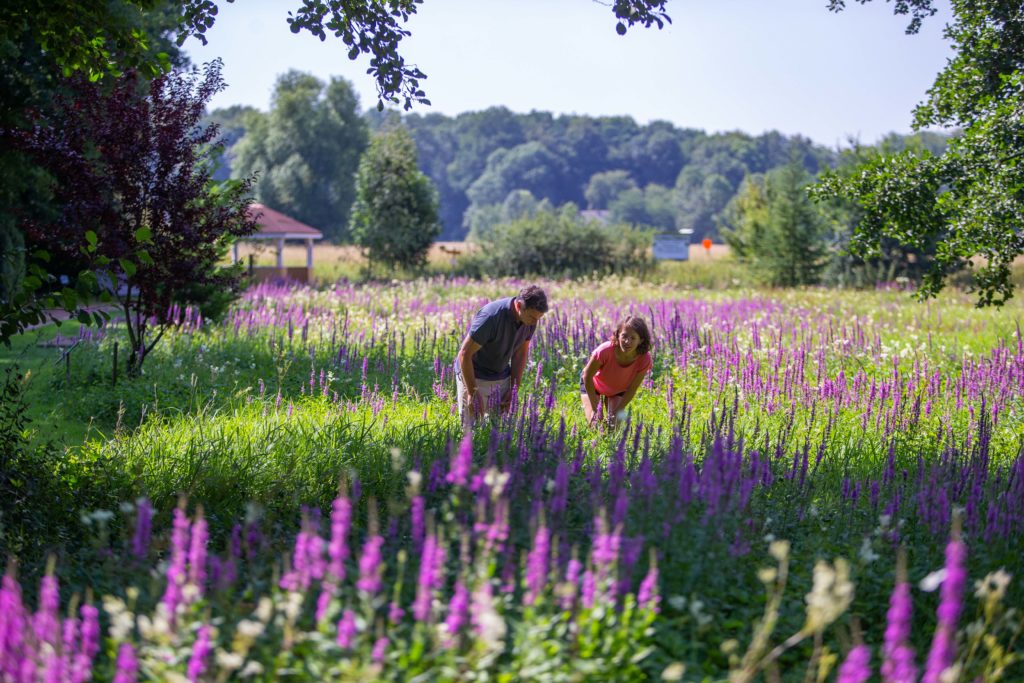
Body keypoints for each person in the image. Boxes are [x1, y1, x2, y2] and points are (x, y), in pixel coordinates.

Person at [455, 285, 548, 425]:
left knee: (501, 430)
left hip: (501, 376)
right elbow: (464, 354)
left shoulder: (530, 320)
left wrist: (513, 389)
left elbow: (520, 354)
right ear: (518, 305)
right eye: (532, 317)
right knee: (470, 428)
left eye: (539, 318)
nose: (535, 323)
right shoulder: (491, 317)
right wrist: (472, 393)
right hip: (474, 375)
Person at [581, 315, 653, 428]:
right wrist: (596, 410)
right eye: (624, 336)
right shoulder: (604, 351)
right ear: (618, 335)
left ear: (641, 340)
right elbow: (587, 376)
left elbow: (632, 389)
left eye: (633, 338)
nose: (627, 341)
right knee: (594, 424)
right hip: (593, 386)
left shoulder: (644, 359)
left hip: (618, 390)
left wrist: (617, 411)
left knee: (614, 426)